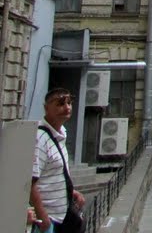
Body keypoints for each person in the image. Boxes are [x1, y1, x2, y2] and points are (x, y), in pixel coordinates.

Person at [30, 88, 86, 233]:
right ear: (46, 108)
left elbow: (54, 173)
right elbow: (30, 182)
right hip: (48, 220)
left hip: (62, 216)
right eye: (61, 103)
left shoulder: (61, 134)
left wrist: (70, 192)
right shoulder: (40, 138)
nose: (67, 108)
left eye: (69, 103)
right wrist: (43, 217)